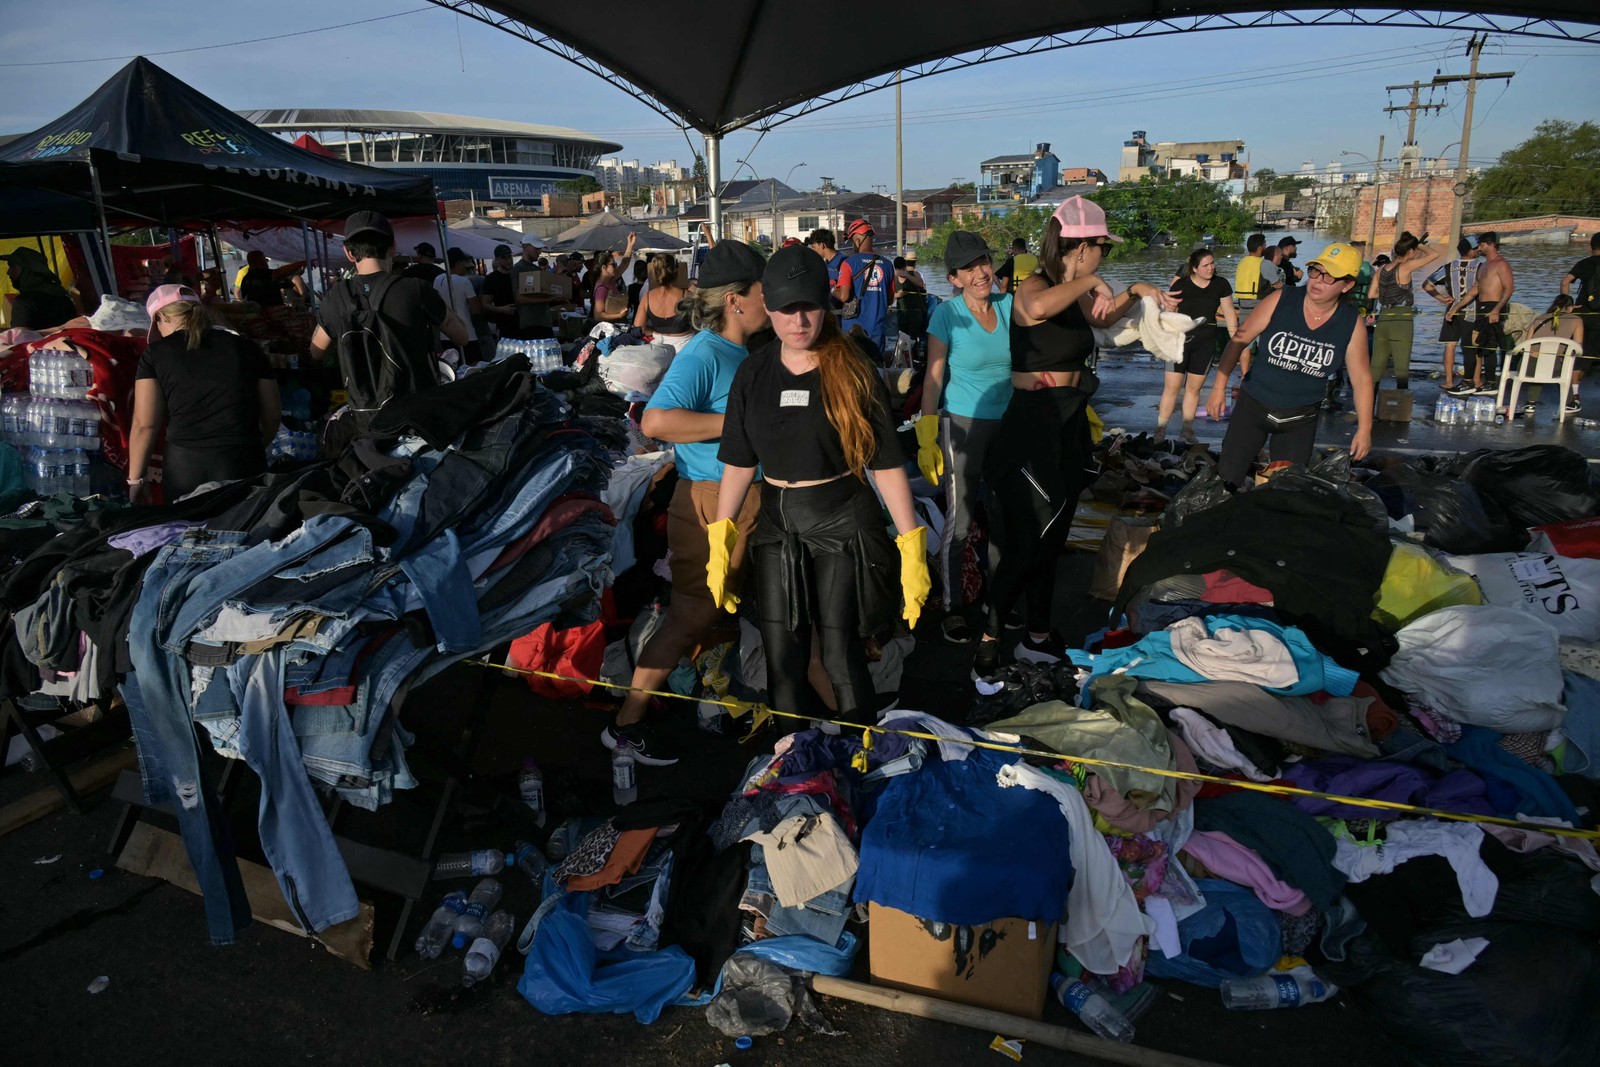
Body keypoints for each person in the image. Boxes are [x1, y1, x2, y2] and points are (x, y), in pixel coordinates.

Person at [713, 244, 930, 727]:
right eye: (786, 308)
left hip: (840, 518)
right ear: (767, 307)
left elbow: (885, 464)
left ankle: (863, 754)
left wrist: (910, 541)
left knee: (838, 651)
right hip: (776, 523)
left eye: (809, 305)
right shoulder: (752, 372)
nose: (799, 320)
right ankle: (791, 765)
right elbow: (737, 464)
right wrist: (721, 536)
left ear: (826, 302)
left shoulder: (853, 369)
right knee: (781, 656)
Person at [973, 196, 1177, 679]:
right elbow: (1036, 308)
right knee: (1026, 539)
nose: (1104, 257)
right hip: (1031, 422)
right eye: (1102, 249)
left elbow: (1102, 319)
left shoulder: (1078, 291)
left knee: (1056, 535)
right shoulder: (1035, 286)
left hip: (1067, 418)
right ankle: (989, 635)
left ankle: (1038, 636)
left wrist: (1137, 291)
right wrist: (1092, 281)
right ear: (1081, 247)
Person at [603, 241, 773, 764]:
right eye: (766, 291)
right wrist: (739, 426)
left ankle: (753, 705)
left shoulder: (745, 350)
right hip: (710, 505)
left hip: (744, 502)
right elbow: (655, 422)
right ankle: (626, 725)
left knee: (746, 615)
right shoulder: (705, 352)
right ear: (736, 300)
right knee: (688, 619)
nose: (777, 301)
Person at [1206, 242, 1373, 489]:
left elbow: (1361, 380)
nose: (1317, 280)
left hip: (1300, 418)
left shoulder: (1351, 323)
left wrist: (1364, 429)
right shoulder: (1281, 299)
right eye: (1316, 271)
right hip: (1254, 406)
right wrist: (1219, 388)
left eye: (1329, 277)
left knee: (1287, 489)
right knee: (1227, 478)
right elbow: (1240, 339)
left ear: (1347, 285)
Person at [917, 231, 1013, 645]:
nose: (981, 273)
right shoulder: (946, 315)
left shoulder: (1010, 306)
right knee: (960, 522)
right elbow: (934, 374)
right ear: (954, 277)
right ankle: (954, 608)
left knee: (1005, 521)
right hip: (963, 426)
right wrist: (926, 429)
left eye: (985, 262)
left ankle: (998, 601)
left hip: (1009, 427)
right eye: (970, 268)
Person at [309, 212, 468, 431]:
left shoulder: (336, 296)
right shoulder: (416, 289)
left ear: (348, 252)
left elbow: (316, 351)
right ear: (393, 246)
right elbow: (462, 337)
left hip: (366, 421)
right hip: (415, 416)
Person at [128, 284, 281, 503]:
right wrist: (251, 447)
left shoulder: (155, 354)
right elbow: (272, 415)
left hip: (184, 466)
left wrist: (136, 480)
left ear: (161, 316)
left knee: (186, 532)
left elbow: (145, 424)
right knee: (247, 532)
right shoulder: (247, 347)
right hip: (242, 459)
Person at [1157, 247, 1239, 443]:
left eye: (1212, 263)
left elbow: (1229, 314)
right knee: (1172, 387)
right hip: (1178, 341)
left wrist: (1237, 341)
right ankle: (1160, 430)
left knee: (1194, 389)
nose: (1211, 268)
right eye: (1206, 265)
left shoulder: (1221, 284)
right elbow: (1167, 313)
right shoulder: (1181, 284)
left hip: (1206, 342)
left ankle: (1187, 428)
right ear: (1194, 268)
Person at [1366, 231, 1443, 392]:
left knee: (1377, 365)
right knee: (1401, 363)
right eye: (1414, 251)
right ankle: (1400, 403)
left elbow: (1371, 294)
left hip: (1384, 317)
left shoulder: (1382, 269)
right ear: (1410, 251)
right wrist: (1420, 244)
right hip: (1401, 318)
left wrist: (1389, 292)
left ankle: (1369, 403)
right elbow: (1434, 254)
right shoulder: (1406, 266)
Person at [1446, 232, 1514, 397]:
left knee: (1488, 347)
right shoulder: (1483, 265)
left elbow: (1509, 288)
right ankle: (1469, 381)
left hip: (1494, 306)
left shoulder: (1501, 264)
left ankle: (1490, 383)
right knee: (1470, 344)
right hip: (1480, 307)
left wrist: (1497, 309)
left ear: (1491, 244)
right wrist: (1456, 308)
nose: (1479, 248)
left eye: (1482, 245)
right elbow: (1474, 290)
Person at [1422, 237, 1480, 392]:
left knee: (1450, 345)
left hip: (1451, 308)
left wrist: (1441, 298)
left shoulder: (1448, 267)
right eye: (1476, 248)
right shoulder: (1481, 267)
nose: (1478, 250)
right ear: (1470, 250)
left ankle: (1448, 381)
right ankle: (1476, 380)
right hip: (1472, 310)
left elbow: (1427, 284)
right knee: (1472, 347)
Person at [1517, 294, 1586, 418]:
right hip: (1553, 368)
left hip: (1526, 366)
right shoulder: (1576, 320)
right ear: (1570, 308)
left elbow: (1525, 345)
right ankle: (1569, 402)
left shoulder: (1539, 318)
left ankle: (1530, 403)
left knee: (1539, 362)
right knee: (1563, 365)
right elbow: (1578, 347)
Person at [834, 219, 896, 355]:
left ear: (857, 241)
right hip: (877, 331)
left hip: (853, 331)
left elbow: (844, 296)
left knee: (853, 370)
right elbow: (890, 300)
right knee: (876, 370)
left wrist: (833, 289)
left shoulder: (849, 263)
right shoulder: (887, 265)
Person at [1559, 232, 1600, 411]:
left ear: (1590, 247)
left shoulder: (1583, 263)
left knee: (1579, 354)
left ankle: (1574, 398)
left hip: (1584, 315)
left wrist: (1567, 305)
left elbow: (1565, 281)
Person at [2, 247, 76, 330]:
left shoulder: (24, 302)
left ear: (26, 270)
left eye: (12, 266)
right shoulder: (64, 299)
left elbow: (19, 337)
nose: (8, 272)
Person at [433, 247, 483, 363]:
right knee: (473, 366)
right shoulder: (464, 282)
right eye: (464, 263)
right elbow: (476, 309)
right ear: (459, 262)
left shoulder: (437, 280)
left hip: (446, 334)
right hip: (466, 334)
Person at [634, 252, 693, 349]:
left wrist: (654, 331)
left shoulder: (647, 297)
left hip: (659, 346)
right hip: (685, 346)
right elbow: (700, 323)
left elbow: (639, 327)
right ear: (675, 270)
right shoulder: (686, 295)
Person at [513, 243, 559, 340]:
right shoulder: (519, 268)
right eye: (536, 249)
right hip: (530, 324)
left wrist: (557, 277)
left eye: (540, 249)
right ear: (526, 247)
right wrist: (549, 299)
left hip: (544, 322)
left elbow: (544, 292)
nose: (539, 252)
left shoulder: (536, 268)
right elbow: (520, 299)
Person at [590, 236, 636, 325]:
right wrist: (619, 316)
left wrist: (630, 245)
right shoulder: (602, 288)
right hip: (608, 330)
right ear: (604, 267)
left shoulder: (610, 280)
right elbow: (598, 316)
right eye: (613, 264)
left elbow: (624, 263)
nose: (616, 266)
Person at [479, 244, 519, 345]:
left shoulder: (518, 274)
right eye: (504, 258)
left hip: (524, 323)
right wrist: (502, 309)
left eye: (509, 257)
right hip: (505, 326)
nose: (508, 261)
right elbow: (485, 304)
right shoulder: (491, 279)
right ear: (497, 260)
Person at [234, 250, 305, 306]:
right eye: (265, 260)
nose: (266, 263)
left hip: (256, 313)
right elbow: (282, 271)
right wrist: (303, 262)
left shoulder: (246, 278)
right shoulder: (263, 274)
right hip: (270, 314)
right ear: (261, 261)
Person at [806, 228, 848, 308]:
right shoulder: (824, 263)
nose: (813, 251)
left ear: (822, 245)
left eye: (814, 247)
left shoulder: (844, 262)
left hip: (840, 312)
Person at [1233, 233, 1268, 305]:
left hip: (1241, 302)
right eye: (1264, 245)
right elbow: (1277, 284)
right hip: (1256, 303)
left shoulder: (1241, 262)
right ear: (1260, 248)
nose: (1266, 247)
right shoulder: (1263, 263)